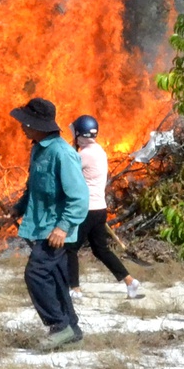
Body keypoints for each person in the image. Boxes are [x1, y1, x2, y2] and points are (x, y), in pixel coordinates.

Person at [9, 95, 89, 350]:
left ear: (37, 125)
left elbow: (79, 197)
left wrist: (63, 227)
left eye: (26, 122)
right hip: (42, 224)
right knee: (54, 275)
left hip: (55, 230)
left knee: (36, 274)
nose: (22, 126)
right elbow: (34, 186)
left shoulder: (62, 153)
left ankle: (58, 326)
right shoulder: (37, 149)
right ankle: (71, 327)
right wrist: (19, 207)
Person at [66, 114, 142, 300]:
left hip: (85, 209)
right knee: (100, 249)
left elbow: (68, 175)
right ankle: (130, 282)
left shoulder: (83, 155)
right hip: (99, 209)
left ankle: (74, 290)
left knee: (70, 249)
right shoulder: (99, 150)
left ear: (80, 134)